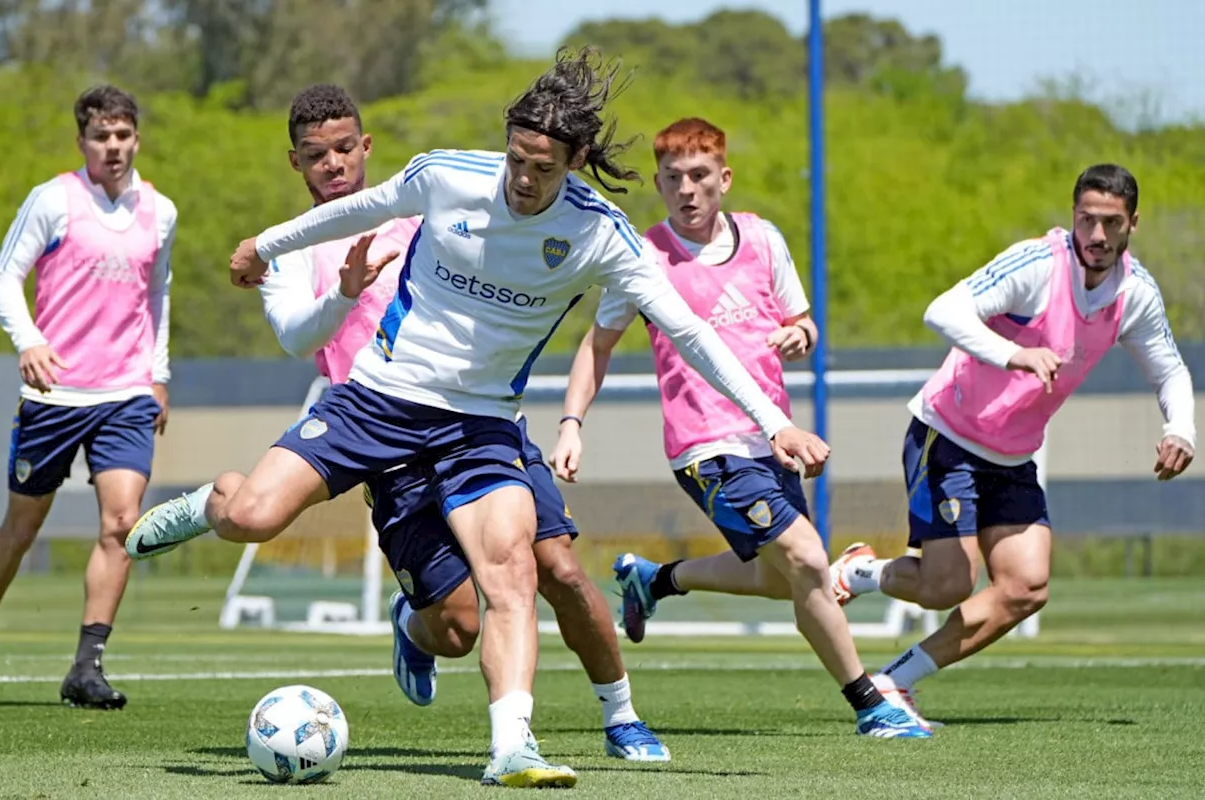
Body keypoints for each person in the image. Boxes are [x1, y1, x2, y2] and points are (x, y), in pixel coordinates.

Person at [127, 47, 827, 788]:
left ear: (576, 160)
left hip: (480, 426)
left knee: (514, 572)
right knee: (255, 517)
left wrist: (772, 422)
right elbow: (365, 206)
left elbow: (691, 332)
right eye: (517, 159)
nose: (524, 180)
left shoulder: (602, 234)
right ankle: (211, 503)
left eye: (544, 167)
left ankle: (513, 746)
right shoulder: (448, 177)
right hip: (376, 400)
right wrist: (262, 246)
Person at [137, 83, 667, 762]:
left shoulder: (427, 207)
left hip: (476, 421)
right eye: (314, 154)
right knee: (454, 629)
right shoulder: (300, 246)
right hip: (375, 423)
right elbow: (299, 339)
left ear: (365, 147)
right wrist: (344, 292)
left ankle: (617, 717)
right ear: (295, 163)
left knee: (556, 566)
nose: (332, 163)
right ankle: (224, 509)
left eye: (342, 148)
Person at [550, 117, 929, 739]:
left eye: (700, 176)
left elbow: (801, 321)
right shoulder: (643, 256)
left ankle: (655, 579)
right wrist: (571, 424)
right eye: (673, 179)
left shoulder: (762, 239)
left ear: (724, 178)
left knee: (781, 580)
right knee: (808, 560)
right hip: (705, 447)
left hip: (770, 438)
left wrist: (800, 335)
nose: (687, 190)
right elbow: (598, 346)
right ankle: (872, 705)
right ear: (659, 183)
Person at [828, 164, 1196, 725]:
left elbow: (1169, 371)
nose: (1096, 236)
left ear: (1132, 225)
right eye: (1087, 220)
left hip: (1013, 454)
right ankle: (861, 574)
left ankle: (893, 681)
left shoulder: (1135, 294)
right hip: (947, 435)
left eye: (1111, 224)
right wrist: (1012, 353)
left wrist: (1180, 430)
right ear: (1072, 215)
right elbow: (942, 310)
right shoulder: (1038, 267)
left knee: (1026, 587)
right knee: (947, 584)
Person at [0, 85, 176, 709]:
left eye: (124, 135)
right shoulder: (52, 201)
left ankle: (87, 667)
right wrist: (27, 340)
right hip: (54, 394)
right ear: (82, 141)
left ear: (137, 138)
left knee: (122, 523)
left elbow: (158, 296)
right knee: (21, 529)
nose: (114, 147)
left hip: (126, 392)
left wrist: (157, 374)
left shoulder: (161, 211)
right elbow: (4, 277)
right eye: (102, 136)